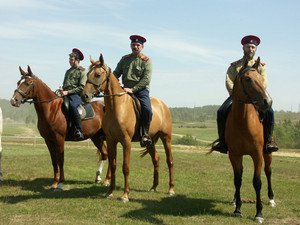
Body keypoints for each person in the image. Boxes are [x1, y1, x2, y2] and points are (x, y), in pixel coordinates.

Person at [212, 35, 279, 154]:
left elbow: (264, 81)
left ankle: (269, 141)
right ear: (243, 48)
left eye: (253, 47)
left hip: (256, 97)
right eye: (248, 47)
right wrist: (235, 93)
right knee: (221, 111)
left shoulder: (261, 66)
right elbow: (228, 80)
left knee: (269, 111)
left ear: (256, 49)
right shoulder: (234, 66)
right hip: (237, 96)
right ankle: (222, 142)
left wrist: (257, 94)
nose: (251, 49)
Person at [113, 35, 153, 147]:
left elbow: (146, 79)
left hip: (140, 91)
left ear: (142, 47)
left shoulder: (146, 61)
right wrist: (115, 84)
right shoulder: (124, 59)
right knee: (108, 107)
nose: (135, 46)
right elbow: (115, 74)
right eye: (133, 45)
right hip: (124, 89)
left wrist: (133, 89)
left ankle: (144, 134)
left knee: (147, 110)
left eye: (137, 45)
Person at [59, 48, 87, 140]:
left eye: (71, 59)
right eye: (69, 59)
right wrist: (62, 90)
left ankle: (79, 130)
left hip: (76, 95)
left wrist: (68, 92)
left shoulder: (82, 71)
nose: (69, 61)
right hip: (65, 94)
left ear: (77, 60)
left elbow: (81, 88)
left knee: (72, 106)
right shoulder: (68, 71)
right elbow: (64, 85)